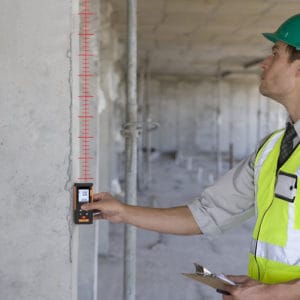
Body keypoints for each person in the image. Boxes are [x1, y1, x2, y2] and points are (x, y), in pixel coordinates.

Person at [82, 14, 300, 299]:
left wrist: (273, 293)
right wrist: (123, 211)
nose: (264, 63)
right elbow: (207, 214)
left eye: (275, 54)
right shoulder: (272, 148)